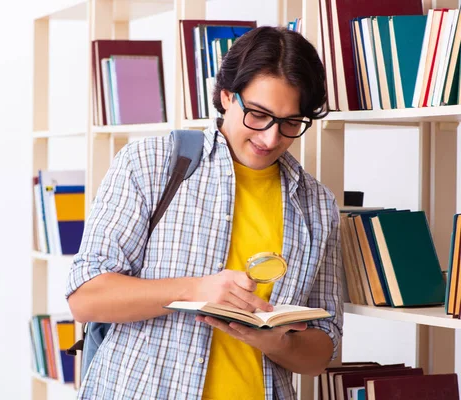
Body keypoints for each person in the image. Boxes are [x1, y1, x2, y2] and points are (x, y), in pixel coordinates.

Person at [66, 25, 343, 400]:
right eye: (258, 115)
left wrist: (277, 342)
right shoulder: (151, 164)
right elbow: (86, 298)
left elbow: (321, 353)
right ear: (228, 97)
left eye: (291, 123)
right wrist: (196, 290)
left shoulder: (317, 206)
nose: (270, 138)